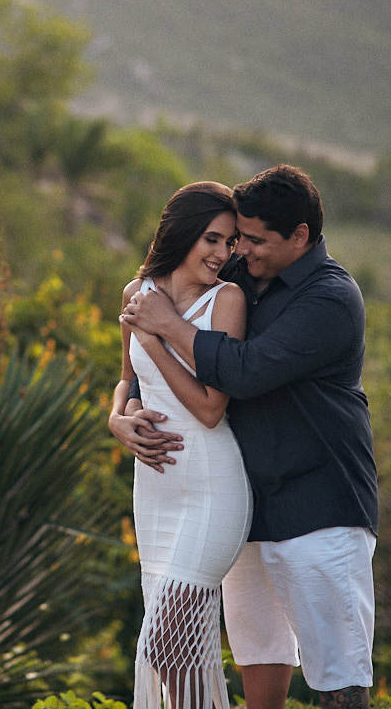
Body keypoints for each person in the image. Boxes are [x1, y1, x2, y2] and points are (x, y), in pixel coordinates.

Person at [115, 164, 378, 709]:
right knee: (257, 649)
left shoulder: (330, 299)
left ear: (299, 236)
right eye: (238, 237)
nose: (241, 250)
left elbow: (244, 371)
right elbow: (148, 357)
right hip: (245, 497)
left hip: (317, 504)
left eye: (254, 240)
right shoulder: (239, 271)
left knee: (338, 672)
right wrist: (123, 411)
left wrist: (163, 327)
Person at [108, 181, 252, 709]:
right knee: (175, 656)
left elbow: (212, 409)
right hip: (155, 492)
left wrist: (155, 338)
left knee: (164, 642)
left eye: (230, 243)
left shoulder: (227, 301)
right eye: (212, 239)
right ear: (183, 233)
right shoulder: (137, 291)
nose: (221, 254)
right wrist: (117, 419)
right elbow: (127, 380)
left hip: (212, 488)